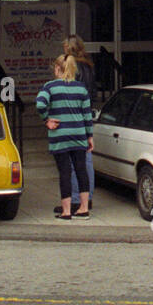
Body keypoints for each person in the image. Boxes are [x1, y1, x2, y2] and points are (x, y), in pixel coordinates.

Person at [36, 54, 93, 220]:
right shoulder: (81, 88)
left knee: (65, 172)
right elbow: (87, 115)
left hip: (60, 135)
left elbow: (40, 104)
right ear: (73, 69)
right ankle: (83, 209)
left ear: (56, 68)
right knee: (81, 170)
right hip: (79, 134)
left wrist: (46, 119)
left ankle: (66, 211)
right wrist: (89, 136)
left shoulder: (50, 87)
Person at [58, 35, 96, 216]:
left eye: (65, 46)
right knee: (85, 159)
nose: (63, 49)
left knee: (73, 162)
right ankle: (86, 198)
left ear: (70, 48)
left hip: (74, 114)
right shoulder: (89, 64)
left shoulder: (76, 67)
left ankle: (74, 200)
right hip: (86, 113)